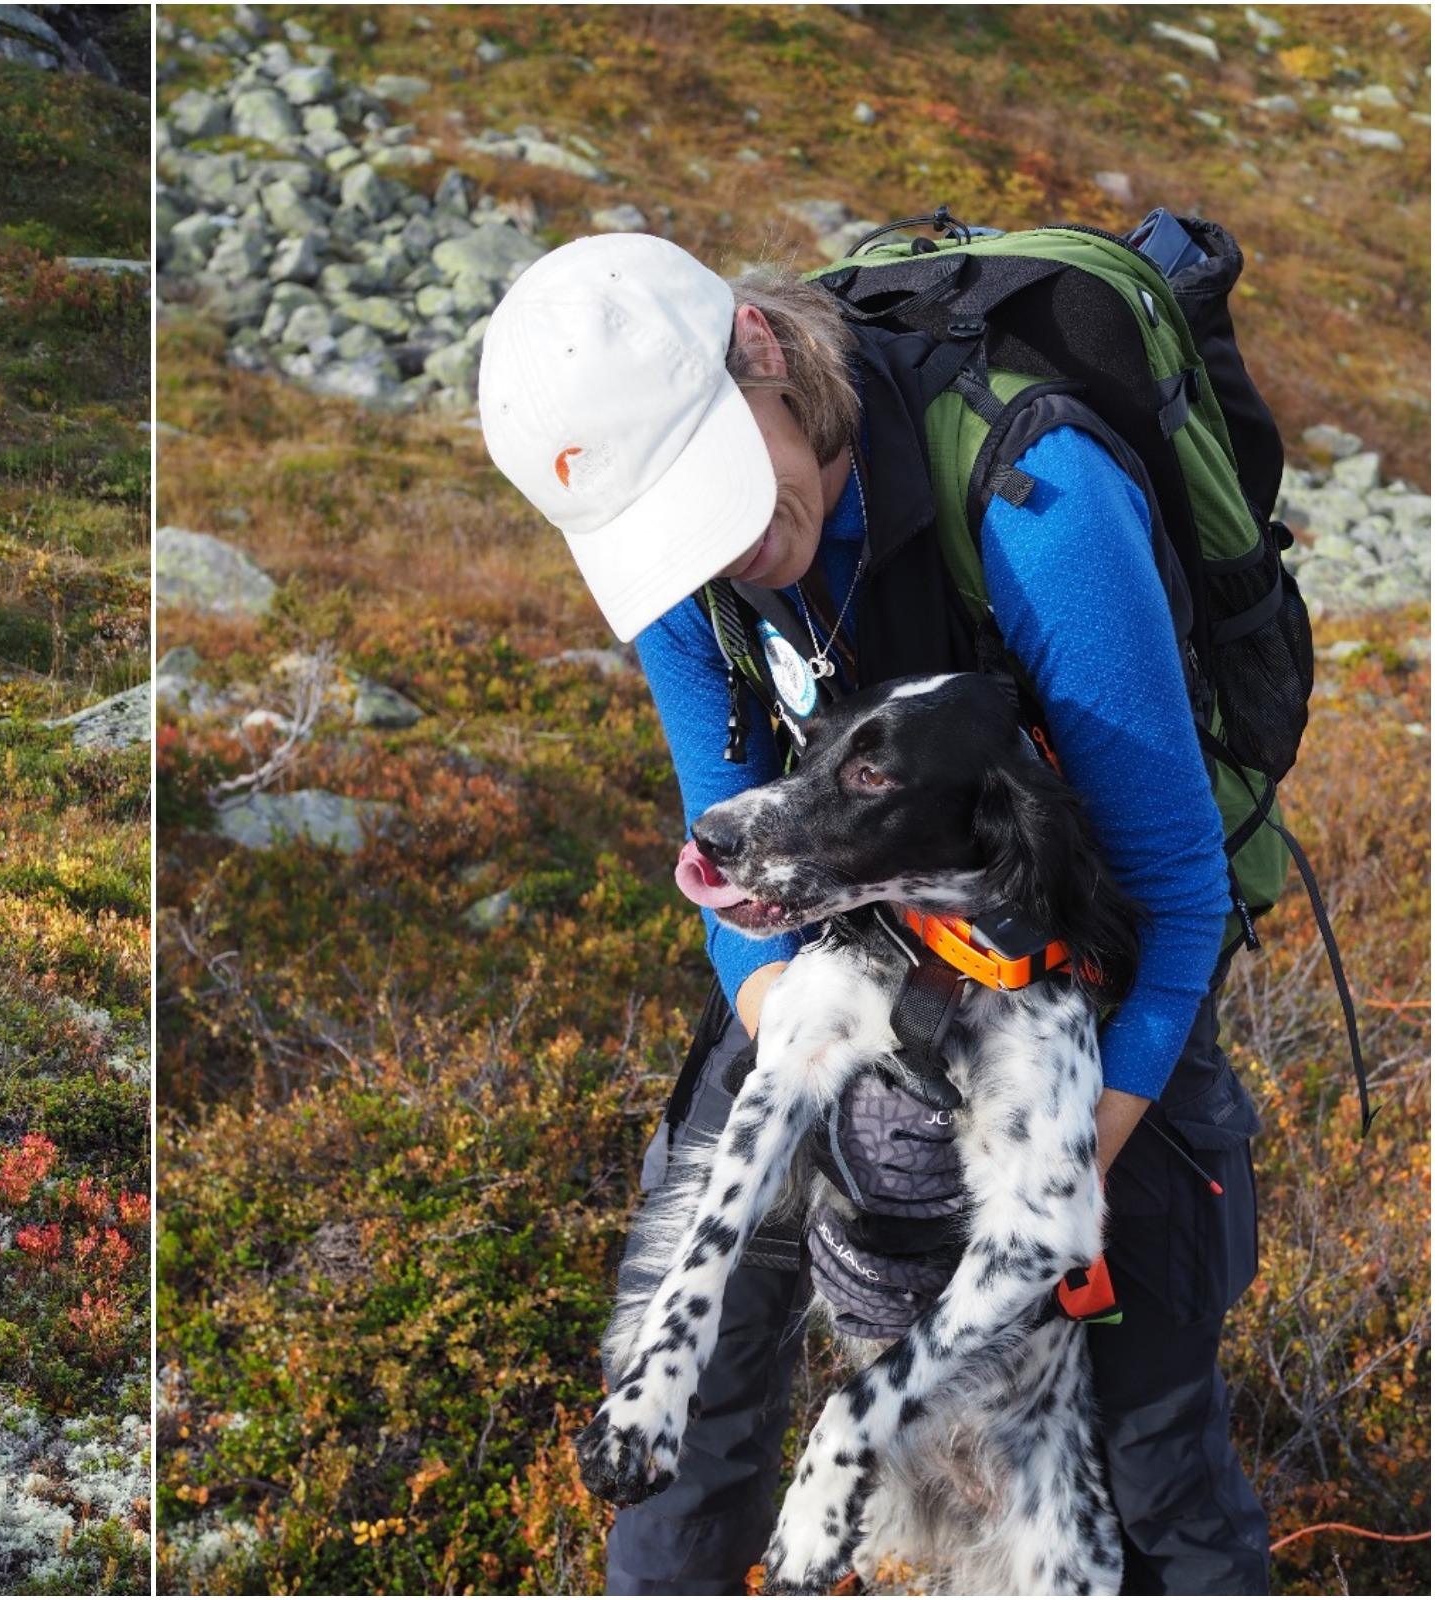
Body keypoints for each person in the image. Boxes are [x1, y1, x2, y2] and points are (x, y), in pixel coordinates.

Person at [479, 233, 1269, 1593]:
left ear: (766, 357)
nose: (724, 547)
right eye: (674, 525)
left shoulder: (1036, 505)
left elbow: (1181, 894)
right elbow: (733, 885)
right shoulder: (686, 577)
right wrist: (826, 1044)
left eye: (720, 489)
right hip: (849, 957)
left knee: (1148, 1461)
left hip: (1088, 973)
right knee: (697, 1374)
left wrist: (1057, 1158)